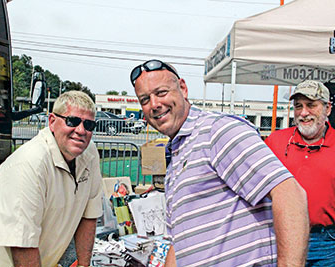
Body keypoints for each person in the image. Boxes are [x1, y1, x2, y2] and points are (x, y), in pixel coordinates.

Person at [130, 59, 310, 266]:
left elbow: (290, 194)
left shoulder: (217, 130)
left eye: (161, 93)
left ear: (183, 88)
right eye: (145, 99)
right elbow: (177, 244)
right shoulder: (178, 154)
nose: (154, 105)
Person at [0, 91, 102, 267]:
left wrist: (84, 265)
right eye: (73, 121)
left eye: (89, 125)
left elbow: (89, 216)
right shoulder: (30, 163)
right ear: (52, 122)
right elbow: (22, 244)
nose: (81, 131)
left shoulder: (89, 153)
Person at [265, 80, 335, 266]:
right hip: (279, 237)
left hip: (326, 244)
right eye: (298, 106)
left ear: (327, 109)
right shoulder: (275, 142)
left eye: (311, 105)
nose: (303, 113)